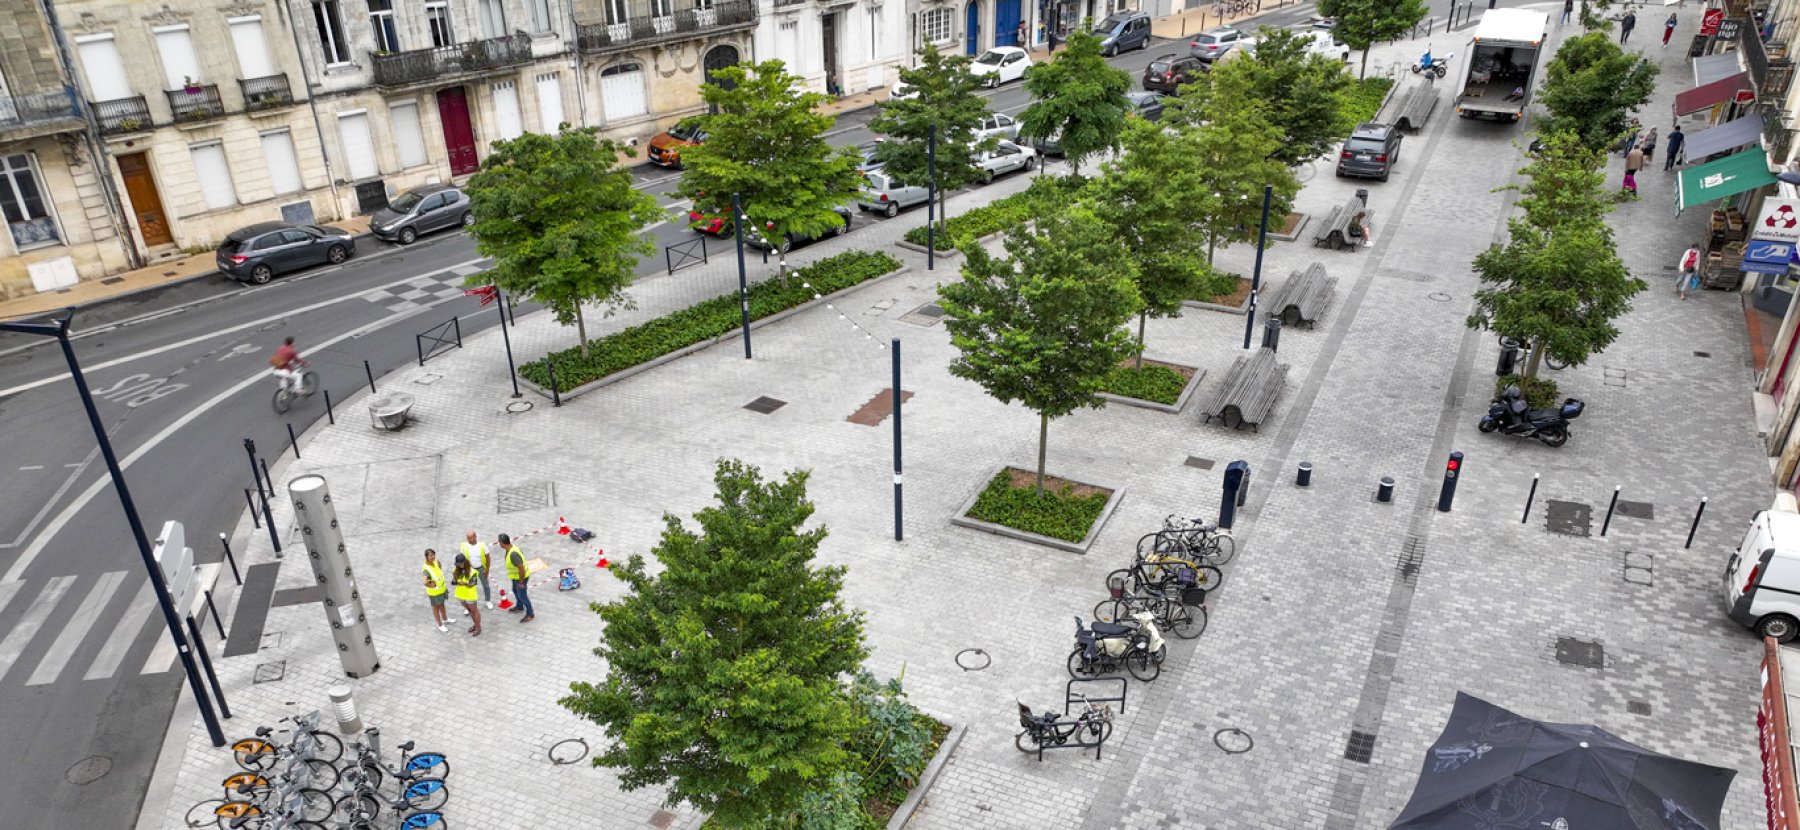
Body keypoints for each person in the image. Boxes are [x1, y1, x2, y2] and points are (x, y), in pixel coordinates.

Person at [499, 533, 534, 622]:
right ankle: (519, 606)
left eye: (499, 542)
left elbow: (521, 567)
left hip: (521, 578)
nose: (499, 544)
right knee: (515, 590)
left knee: (522, 595)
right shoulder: (511, 548)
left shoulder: (513, 554)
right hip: (515, 577)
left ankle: (530, 613)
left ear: (503, 543)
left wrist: (521, 582)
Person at [459, 530, 494, 609]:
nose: (469, 540)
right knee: (469, 586)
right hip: (470, 569)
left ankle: (488, 600)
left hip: (481, 568)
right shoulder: (464, 546)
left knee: (486, 585)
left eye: (471, 538)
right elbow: (462, 558)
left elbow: (488, 557)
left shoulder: (482, 545)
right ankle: (469, 605)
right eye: (468, 538)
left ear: (475, 537)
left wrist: (487, 569)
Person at [452, 554, 482, 636]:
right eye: (458, 564)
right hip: (461, 594)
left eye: (460, 564)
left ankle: (478, 627)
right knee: (469, 611)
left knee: (474, 611)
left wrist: (464, 583)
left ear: (465, 562)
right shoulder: (456, 569)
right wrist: (456, 581)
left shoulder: (473, 572)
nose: (459, 566)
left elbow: (473, 583)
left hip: (470, 594)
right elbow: (453, 581)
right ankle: (475, 624)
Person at [422, 549, 449, 633]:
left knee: (442, 604)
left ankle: (445, 619)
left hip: (442, 589)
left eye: (434, 555)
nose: (433, 557)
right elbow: (424, 581)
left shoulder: (437, 562)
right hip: (434, 593)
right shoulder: (426, 569)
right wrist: (431, 585)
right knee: (435, 608)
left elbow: (439, 569)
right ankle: (440, 625)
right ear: (426, 557)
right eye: (430, 555)